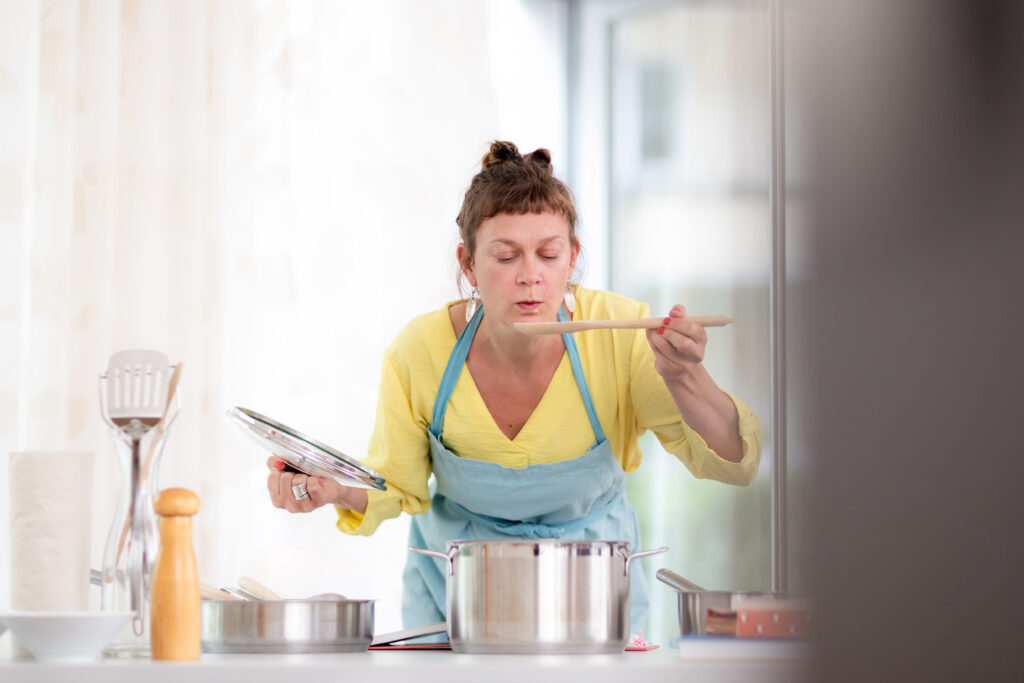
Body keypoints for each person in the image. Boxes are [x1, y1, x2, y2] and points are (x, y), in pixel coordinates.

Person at [265, 140, 763, 637]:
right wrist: (332, 489)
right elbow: (397, 488)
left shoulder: (622, 332)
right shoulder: (418, 351)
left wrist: (684, 375)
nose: (531, 277)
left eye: (549, 254)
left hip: (592, 599)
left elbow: (733, 459)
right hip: (455, 603)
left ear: (572, 260)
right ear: (468, 265)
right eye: (506, 257)